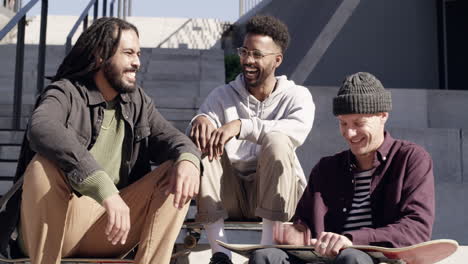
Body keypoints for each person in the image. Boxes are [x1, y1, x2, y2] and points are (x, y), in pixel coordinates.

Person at [0, 17, 201, 264]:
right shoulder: (66, 93)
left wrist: (189, 160)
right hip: (54, 224)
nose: (137, 62)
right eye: (128, 53)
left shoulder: (136, 102)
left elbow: (173, 138)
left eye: (138, 54)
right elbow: (42, 127)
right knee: (44, 166)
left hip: (109, 229)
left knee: (178, 170)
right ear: (100, 56)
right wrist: (103, 187)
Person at [250, 72, 435, 264]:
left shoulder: (411, 159)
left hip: (378, 259)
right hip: (322, 258)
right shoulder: (326, 169)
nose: (349, 133)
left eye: (358, 123)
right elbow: (303, 223)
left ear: (383, 116)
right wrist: (296, 233)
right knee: (265, 256)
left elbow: (417, 228)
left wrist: (352, 240)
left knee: (351, 257)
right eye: (343, 123)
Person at [188, 15, 315, 264]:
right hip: (231, 194)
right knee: (204, 142)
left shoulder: (297, 96)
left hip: (277, 194)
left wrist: (241, 126)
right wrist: (199, 121)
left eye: (257, 55)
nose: (247, 60)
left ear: (277, 60)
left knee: (277, 141)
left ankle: (266, 251)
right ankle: (220, 254)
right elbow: (198, 136)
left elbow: (295, 131)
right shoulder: (222, 95)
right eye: (244, 52)